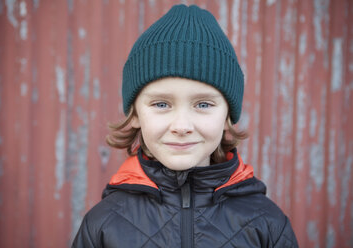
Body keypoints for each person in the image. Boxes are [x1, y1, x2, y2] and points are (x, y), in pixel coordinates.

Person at [72, 4, 298, 248]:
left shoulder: (268, 224)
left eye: (202, 104)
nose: (181, 125)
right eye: (161, 104)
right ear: (135, 113)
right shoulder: (102, 224)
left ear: (227, 117)